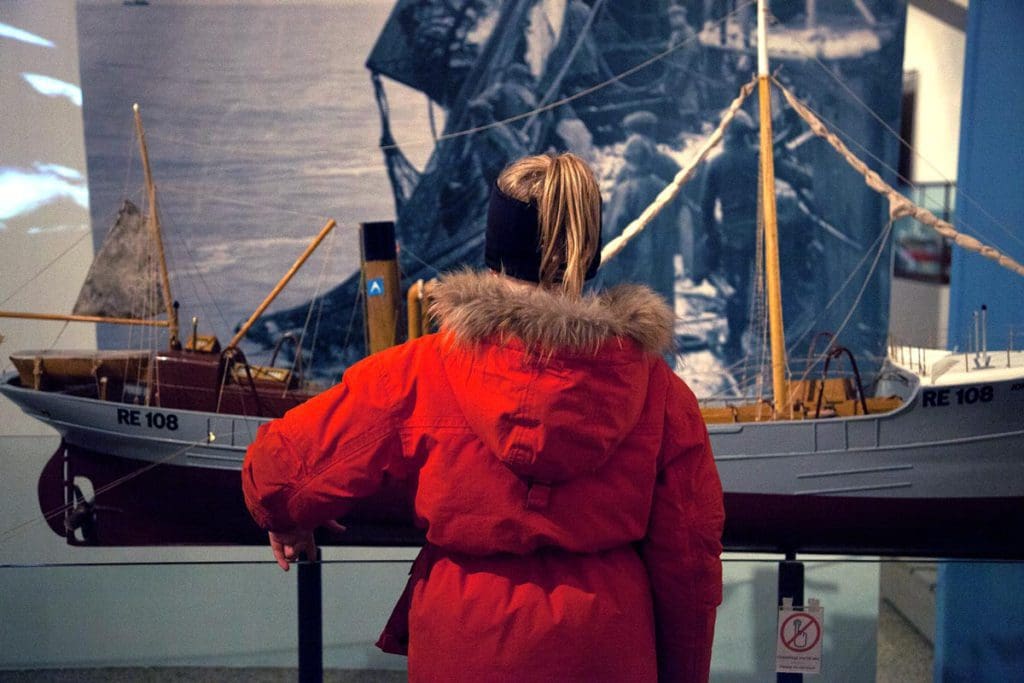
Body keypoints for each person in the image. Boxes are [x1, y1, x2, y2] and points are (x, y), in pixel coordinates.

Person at [242, 152, 725, 682]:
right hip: (606, 646)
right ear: (587, 251)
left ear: (494, 249)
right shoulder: (659, 392)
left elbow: (279, 471)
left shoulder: (422, 370)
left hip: (466, 643)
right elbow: (690, 563)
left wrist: (286, 517)